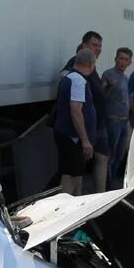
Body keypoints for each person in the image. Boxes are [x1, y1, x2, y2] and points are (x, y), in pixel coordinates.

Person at [61, 31, 109, 192]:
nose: (98, 49)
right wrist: (85, 138)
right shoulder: (77, 72)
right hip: (80, 131)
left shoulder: (88, 71)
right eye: (95, 45)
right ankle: (70, 205)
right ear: (84, 46)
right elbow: (75, 109)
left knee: (86, 166)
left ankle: (90, 201)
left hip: (96, 125)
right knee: (73, 171)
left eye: (100, 46)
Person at [53, 48, 97, 196]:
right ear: (91, 64)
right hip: (72, 137)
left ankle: (75, 202)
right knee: (70, 175)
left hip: (69, 136)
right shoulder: (78, 81)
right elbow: (76, 111)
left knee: (76, 173)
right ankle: (64, 209)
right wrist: (85, 140)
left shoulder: (70, 77)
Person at [101, 47, 132, 189]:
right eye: (121, 58)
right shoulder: (108, 74)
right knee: (110, 154)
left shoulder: (126, 78)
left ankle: (111, 181)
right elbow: (100, 96)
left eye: (126, 59)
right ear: (115, 59)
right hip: (112, 120)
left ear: (130, 62)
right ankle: (107, 185)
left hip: (124, 122)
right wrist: (108, 87)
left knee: (120, 155)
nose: (123, 62)